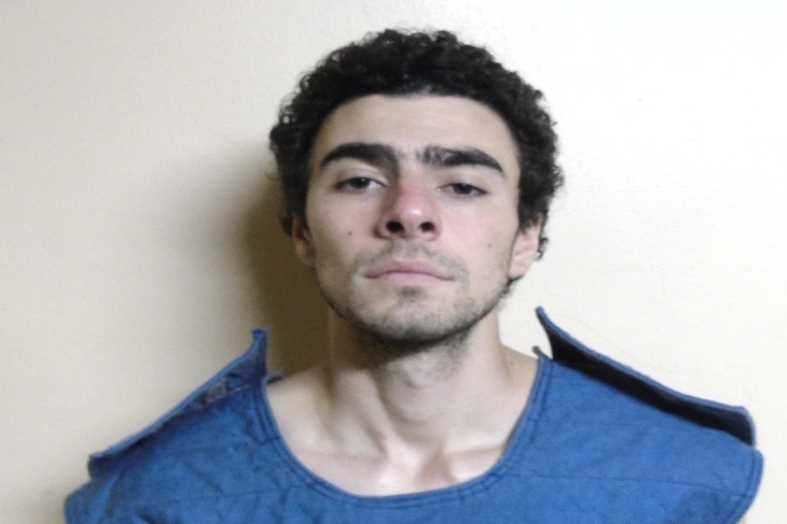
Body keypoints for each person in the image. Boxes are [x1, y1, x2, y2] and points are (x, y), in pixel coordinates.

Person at [65, 29, 762, 523]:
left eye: (462, 185)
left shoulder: (679, 479)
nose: (409, 213)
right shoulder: (160, 498)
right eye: (360, 180)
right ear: (302, 231)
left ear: (526, 237)